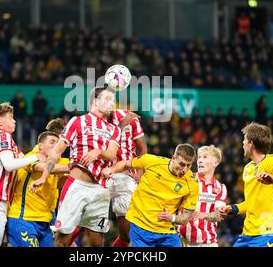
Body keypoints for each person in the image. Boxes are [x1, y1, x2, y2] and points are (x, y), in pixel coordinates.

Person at [29, 87, 135, 247]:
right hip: (76, 186)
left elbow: (112, 154)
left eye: (113, 100)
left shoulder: (113, 129)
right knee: (62, 240)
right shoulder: (77, 121)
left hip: (101, 190)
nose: (111, 103)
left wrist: (97, 151)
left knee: (96, 242)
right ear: (95, 101)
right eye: (107, 99)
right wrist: (44, 176)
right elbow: (57, 151)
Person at [102, 144, 199, 247]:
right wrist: (112, 169)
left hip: (167, 231)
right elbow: (126, 164)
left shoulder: (192, 183)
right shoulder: (152, 161)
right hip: (140, 226)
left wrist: (173, 218)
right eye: (182, 164)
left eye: (189, 165)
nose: (184, 169)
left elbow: (186, 217)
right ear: (173, 158)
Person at [0, 102, 43, 247]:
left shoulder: (9, 141)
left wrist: (42, 159)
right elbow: (10, 164)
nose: (15, 120)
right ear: (0, 121)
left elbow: (24, 161)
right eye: (11, 117)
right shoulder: (2, 136)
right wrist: (36, 156)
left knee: (0, 244)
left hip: (3, 200)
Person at [220, 122, 273, 247]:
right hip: (247, 233)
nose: (242, 143)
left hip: (269, 231)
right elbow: (251, 203)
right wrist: (233, 208)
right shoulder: (247, 169)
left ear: (251, 144)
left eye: (244, 140)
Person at [7, 118, 69, 247]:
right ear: (41, 145)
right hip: (24, 218)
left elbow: (62, 181)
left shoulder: (59, 160)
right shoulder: (32, 156)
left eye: (59, 143)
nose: (57, 146)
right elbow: (47, 168)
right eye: (53, 142)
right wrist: (73, 167)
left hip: (47, 218)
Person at [107, 108, 147, 247]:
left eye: (110, 99)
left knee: (126, 234)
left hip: (125, 175)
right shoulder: (89, 121)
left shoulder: (128, 117)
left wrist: (140, 173)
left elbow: (142, 148)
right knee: (90, 230)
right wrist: (122, 125)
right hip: (99, 175)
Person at [178, 145, 227, 247]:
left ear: (216, 162)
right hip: (182, 241)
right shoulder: (187, 179)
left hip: (207, 243)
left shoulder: (220, 188)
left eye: (205, 157)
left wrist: (202, 215)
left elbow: (219, 215)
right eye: (199, 157)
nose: (200, 160)